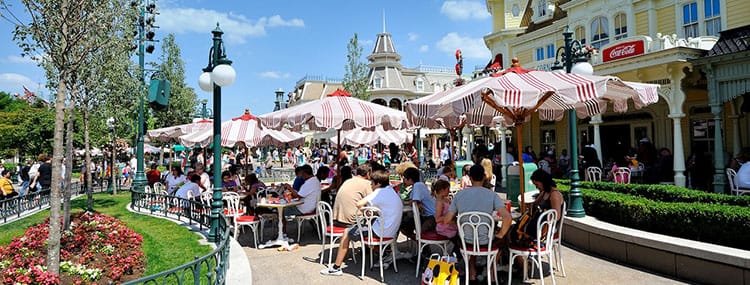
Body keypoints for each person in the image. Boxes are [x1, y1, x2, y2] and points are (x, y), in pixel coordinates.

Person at [320, 170, 403, 276]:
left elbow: (359, 204)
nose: (371, 186)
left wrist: (365, 211)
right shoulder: (391, 191)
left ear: (378, 184)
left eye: (372, 183)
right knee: (364, 228)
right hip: (391, 232)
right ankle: (385, 253)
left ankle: (336, 267)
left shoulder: (379, 192)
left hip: (380, 232)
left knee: (346, 232)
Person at [443, 165, 511, 283]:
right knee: (503, 239)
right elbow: (508, 218)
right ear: (484, 177)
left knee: (467, 236)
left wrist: (460, 221)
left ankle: (472, 271)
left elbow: (447, 220)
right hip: (486, 241)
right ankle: (491, 270)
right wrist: (500, 234)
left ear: (470, 177)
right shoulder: (492, 195)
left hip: (466, 241)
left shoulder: (459, 195)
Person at [279, 164, 321, 234]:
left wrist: (289, 187)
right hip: (310, 206)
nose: (301, 176)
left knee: (280, 212)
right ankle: (282, 232)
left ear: (305, 173)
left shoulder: (309, 183)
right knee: (283, 209)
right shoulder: (315, 180)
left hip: (303, 208)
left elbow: (297, 195)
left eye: (302, 174)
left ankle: (282, 233)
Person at [400, 167, 436, 240]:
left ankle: (422, 246)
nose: (403, 180)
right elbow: (411, 201)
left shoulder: (418, 185)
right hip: (425, 215)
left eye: (404, 178)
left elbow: (413, 201)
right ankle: (419, 242)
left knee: (418, 232)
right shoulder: (416, 186)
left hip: (432, 217)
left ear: (410, 179)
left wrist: (415, 202)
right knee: (404, 225)